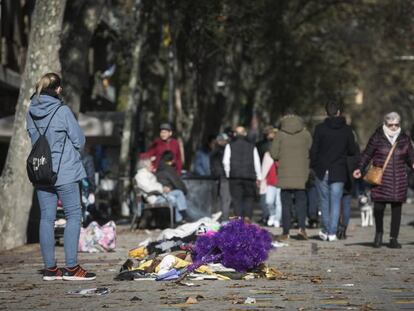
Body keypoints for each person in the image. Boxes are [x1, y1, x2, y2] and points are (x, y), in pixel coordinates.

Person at [26, 72, 95, 281]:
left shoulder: (31, 111)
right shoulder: (62, 110)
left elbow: (32, 136)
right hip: (65, 171)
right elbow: (79, 140)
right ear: (57, 89)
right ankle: (72, 268)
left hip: (41, 171)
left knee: (46, 218)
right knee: (73, 216)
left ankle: (50, 270)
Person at [353, 112, 414, 248]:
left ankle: (393, 238)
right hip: (381, 179)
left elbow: (411, 157)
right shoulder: (377, 137)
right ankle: (379, 233)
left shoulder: (404, 139)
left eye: (396, 125)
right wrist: (359, 168)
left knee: (396, 208)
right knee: (379, 208)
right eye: (390, 125)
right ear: (385, 124)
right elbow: (367, 154)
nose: (393, 127)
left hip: (398, 179)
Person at [310, 100, 357, 242]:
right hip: (339, 169)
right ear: (339, 112)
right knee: (336, 201)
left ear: (326, 113)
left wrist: (313, 165)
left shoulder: (319, 129)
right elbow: (352, 150)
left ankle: (325, 229)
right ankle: (332, 232)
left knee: (324, 201)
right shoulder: (347, 130)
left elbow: (314, 150)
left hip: (321, 169)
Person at [270, 113, 312, 240]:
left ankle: (286, 232)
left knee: (286, 204)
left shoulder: (280, 135)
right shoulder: (306, 135)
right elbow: (311, 149)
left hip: (284, 175)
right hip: (302, 175)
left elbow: (273, 154)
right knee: (301, 203)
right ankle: (302, 229)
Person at [223, 126, 261, 220]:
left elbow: (225, 162)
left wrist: (228, 174)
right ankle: (247, 217)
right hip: (249, 176)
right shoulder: (252, 146)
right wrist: (259, 177)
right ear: (245, 134)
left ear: (235, 134)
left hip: (235, 177)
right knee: (249, 198)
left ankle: (239, 219)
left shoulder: (230, 146)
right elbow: (257, 162)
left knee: (236, 199)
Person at [135, 156, 188, 224]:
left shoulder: (147, 174)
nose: (152, 166)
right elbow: (148, 188)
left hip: (159, 195)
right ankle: (179, 220)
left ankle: (182, 215)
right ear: (145, 166)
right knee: (172, 198)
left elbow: (154, 185)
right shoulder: (141, 175)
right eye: (151, 164)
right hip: (154, 198)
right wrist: (162, 189)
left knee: (178, 193)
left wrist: (165, 188)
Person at [210, 133, 231, 221]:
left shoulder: (215, 151)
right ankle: (224, 219)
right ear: (220, 141)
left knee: (219, 199)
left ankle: (218, 218)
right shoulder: (220, 152)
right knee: (225, 199)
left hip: (218, 178)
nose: (226, 142)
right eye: (224, 141)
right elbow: (217, 166)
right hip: (222, 177)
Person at [260, 151, 281, 227]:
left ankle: (277, 219)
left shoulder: (283, 154)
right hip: (270, 182)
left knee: (279, 203)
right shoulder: (267, 155)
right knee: (269, 201)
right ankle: (272, 214)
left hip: (280, 182)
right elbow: (264, 168)